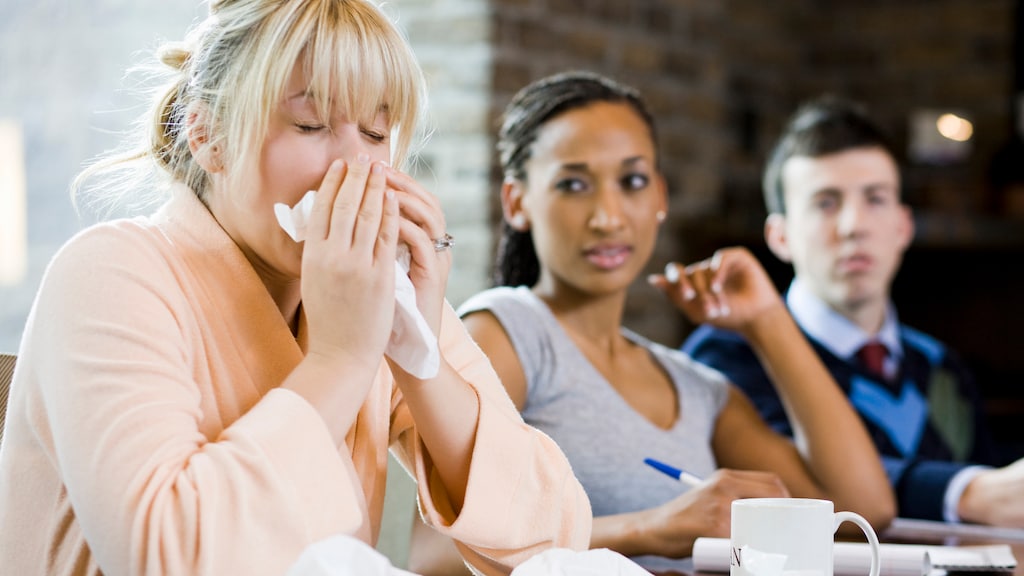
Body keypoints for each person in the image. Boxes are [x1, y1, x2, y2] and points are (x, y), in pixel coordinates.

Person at [0, 2, 593, 575]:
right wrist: (341, 357)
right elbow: (171, 558)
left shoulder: (370, 292)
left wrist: (421, 350)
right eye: (310, 125)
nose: (353, 170)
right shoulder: (109, 272)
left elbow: (554, 538)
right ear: (208, 136)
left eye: (375, 132)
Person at [407, 71, 894, 575]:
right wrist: (651, 528)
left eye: (632, 182)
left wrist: (768, 322)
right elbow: (434, 557)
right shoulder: (508, 333)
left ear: (660, 196)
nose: (608, 216)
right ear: (518, 202)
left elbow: (862, 512)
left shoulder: (696, 387)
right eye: (573, 184)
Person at [683, 95, 1024, 527]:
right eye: (825, 203)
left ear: (903, 226)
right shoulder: (727, 357)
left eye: (875, 199)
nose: (853, 226)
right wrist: (966, 492)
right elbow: (798, 487)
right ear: (780, 236)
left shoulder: (942, 367)